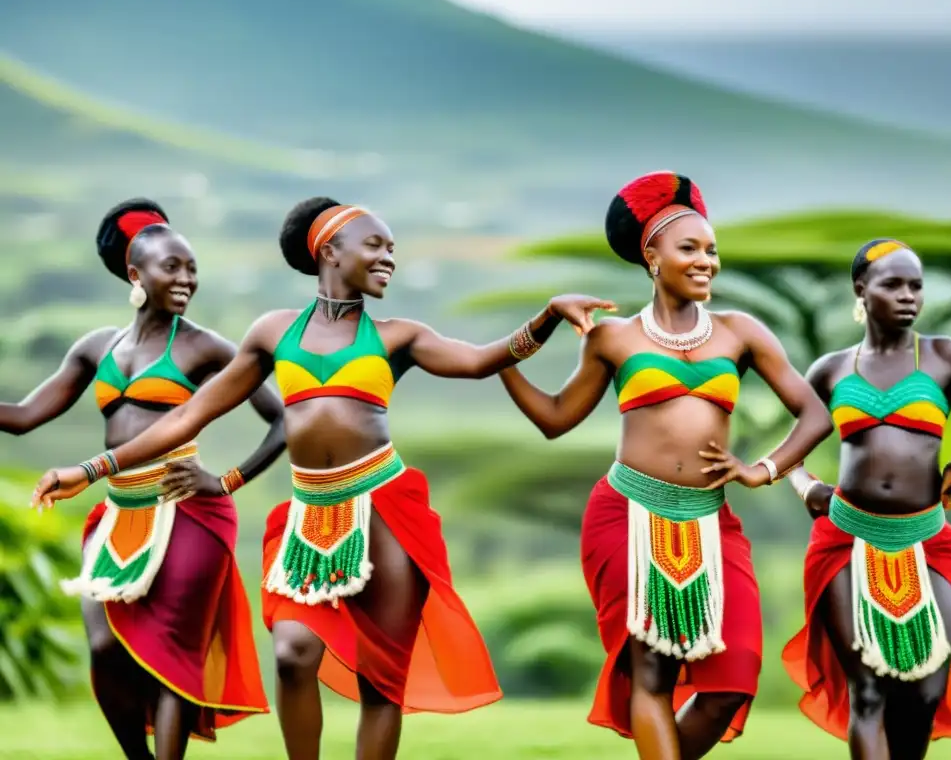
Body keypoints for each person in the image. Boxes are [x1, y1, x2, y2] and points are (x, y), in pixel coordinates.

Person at [30, 197, 616, 760]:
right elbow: (189, 413)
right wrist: (92, 470)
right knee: (291, 653)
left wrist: (543, 319)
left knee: (381, 681)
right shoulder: (272, 332)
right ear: (330, 252)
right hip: (308, 514)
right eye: (375, 244)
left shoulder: (398, 336)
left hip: (384, 507)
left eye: (393, 248)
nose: (389, 256)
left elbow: (482, 359)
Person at [496, 171, 834, 759]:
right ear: (652, 255)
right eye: (690, 248)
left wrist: (764, 469)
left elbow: (813, 414)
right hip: (624, 514)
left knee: (733, 679)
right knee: (649, 674)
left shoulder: (741, 333)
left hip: (711, 518)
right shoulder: (613, 339)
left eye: (712, 250)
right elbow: (554, 418)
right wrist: (505, 356)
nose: (707, 261)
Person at [5, 199, 282, 759]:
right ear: (136, 274)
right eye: (171, 267)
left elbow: (284, 418)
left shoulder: (205, 346)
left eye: (191, 268)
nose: (186, 279)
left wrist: (226, 480)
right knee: (105, 647)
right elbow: (23, 417)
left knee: (173, 655)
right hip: (119, 513)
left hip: (190, 511)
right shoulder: (95, 348)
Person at [782, 238, 951, 759]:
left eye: (916, 286)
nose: (908, 296)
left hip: (929, 542)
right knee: (868, 693)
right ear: (861, 290)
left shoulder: (948, 358)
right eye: (893, 284)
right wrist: (805, 487)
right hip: (844, 539)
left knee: (924, 694)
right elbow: (787, 450)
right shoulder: (831, 370)